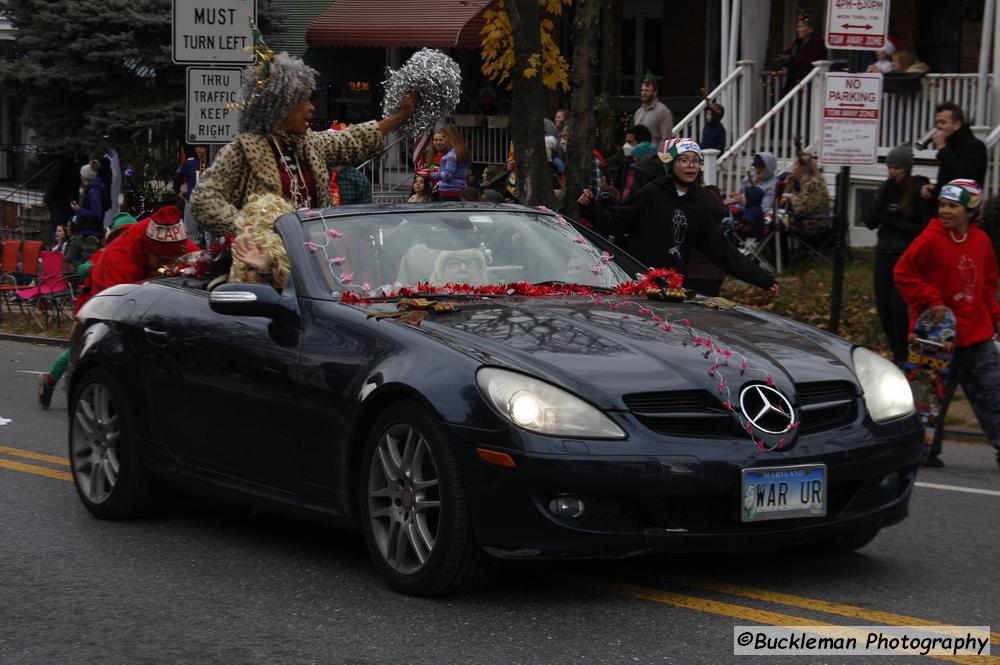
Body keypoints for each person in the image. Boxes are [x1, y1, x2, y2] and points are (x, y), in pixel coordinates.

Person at [190, 36, 416, 284]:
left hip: (313, 266)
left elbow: (353, 140)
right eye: (304, 101)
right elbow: (204, 201)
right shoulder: (242, 150)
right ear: (279, 106)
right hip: (262, 273)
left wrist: (400, 116)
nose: (311, 108)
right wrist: (253, 230)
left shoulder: (310, 144)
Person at [37, 207, 197, 408]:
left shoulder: (168, 238)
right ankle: (53, 382)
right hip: (100, 302)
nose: (168, 265)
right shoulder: (114, 258)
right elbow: (116, 313)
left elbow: (195, 257)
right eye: (163, 261)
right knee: (84, 351)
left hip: (142, 298)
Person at [578, 138, 778, 295]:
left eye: (695, 161)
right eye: (684, 160)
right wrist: (591, 209)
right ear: (671, 164)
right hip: (641, 287)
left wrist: (762, 279)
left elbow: (722, 250)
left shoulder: (697, 208)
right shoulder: (651, 193)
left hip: (675, 290)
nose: (691, 166)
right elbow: (616, 223)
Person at [893, 180, 1000, 470]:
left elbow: (988, 285)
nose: (945, 211)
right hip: (939, 338)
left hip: (977, 335)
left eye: (953, 206)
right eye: (942, 204)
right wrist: (931, 299)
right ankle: (925, 451)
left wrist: (995, 317)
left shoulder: (981, 241)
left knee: (993, 394)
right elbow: (903, 273)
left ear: (970, 209)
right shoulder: (929, 239)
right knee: (931, 398)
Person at [865, 145, 932, 366]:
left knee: (897, 308)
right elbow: (871, 221)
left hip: (905, 254)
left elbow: (922, 227)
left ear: (907, 169)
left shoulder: (916, 189)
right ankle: (896, 354)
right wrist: (880, 211)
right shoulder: (886, 188)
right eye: (890, 167)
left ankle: (905, 354)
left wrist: (894, 221)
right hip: (883, 251)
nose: (893, 172)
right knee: (884, 307)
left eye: (898, 168)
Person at [920, 103, 987, 207]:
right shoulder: (949, 146)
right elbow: (949, 178)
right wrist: (934, 189)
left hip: (964, 208)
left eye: (943, 122)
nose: (938, 127)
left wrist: (942, 149)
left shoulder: (975, 146)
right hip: (945, 206)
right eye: (937, 123)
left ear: (957, 125)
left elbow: (965, 176)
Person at [780, 152, 830, 230]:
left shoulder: (812, 184)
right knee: (778, 218)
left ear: (803, 168)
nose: (793, 168)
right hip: (810, 220)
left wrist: (790, 195)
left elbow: (800, 209)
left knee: (777, 222)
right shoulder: (811, 181)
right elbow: (803, 201)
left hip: (813, 225)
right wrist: (790, 188)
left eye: (796, 165)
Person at [781, 13, 827, 95]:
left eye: (801, 26)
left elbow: (810, 61)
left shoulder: (817, 43)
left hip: (808, 85)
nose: (797, 29)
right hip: (794, 83)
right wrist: (782, 58)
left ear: (810, 29)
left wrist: (792, 60)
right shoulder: (797, 43)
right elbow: (787, 53)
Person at [174, 144, 211, 243]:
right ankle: (192, 254)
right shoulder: (190, 163)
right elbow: (178, 175)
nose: (198, 149)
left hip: (209, 202)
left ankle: (211, 254)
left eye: (201, 147)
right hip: (192, 201)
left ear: (206, 149)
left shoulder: (212, 163)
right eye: (196, 147)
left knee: (209, 233)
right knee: (191, 232)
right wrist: (177, 191)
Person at [44, 155, 82, 242]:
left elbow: (51, 187)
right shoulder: (75, 167)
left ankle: (58, 250)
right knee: (67, 230)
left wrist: (47, 200)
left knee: (57, 231)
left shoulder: (57, 168)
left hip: (57, 205)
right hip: (70, 204)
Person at [429, 124, 471, 201]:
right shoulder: (459, 151)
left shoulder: (452, 154)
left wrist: (428, 174)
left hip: (451, 192)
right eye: (436, 139)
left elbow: (448, 175)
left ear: (450, 138)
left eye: (444, 137)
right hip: (457, 190)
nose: (442, 141)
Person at [633, 73, 673, 147]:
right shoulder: (639, 112)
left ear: (655, 93)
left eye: (647, 90)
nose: (643, 93)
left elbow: (666, 138)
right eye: (642, 90)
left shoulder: (663, 111)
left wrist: (656, 156)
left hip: (654, 156)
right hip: (638, 156)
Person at [71, 159, 107, 240]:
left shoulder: (93, 192)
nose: (80, 177)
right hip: (88, 230)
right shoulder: (91, 189)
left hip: (91, 232)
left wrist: (79, 209)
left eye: (81, 175)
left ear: (85, 177)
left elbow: (97, 213)